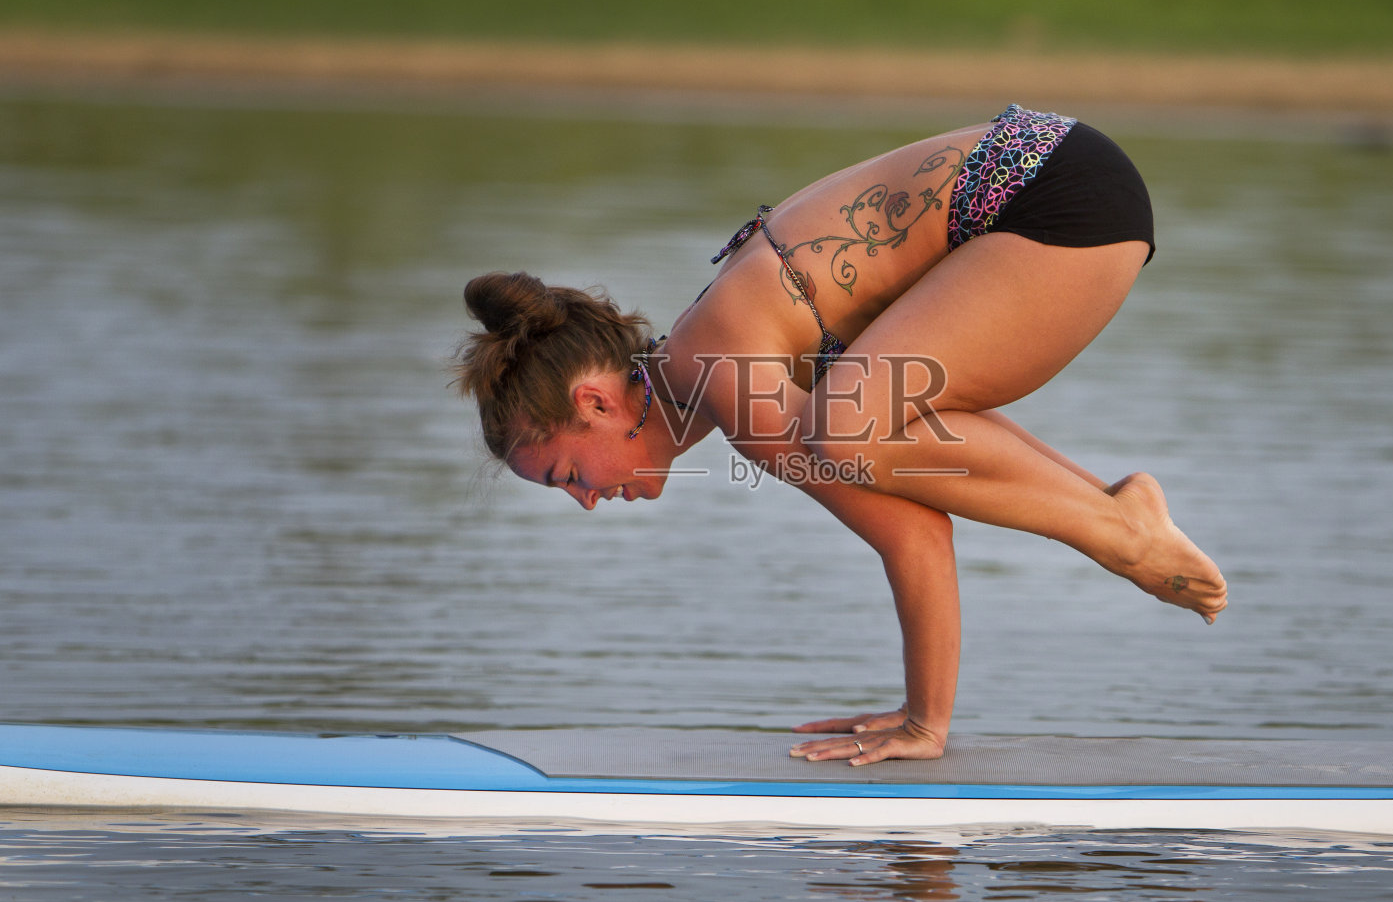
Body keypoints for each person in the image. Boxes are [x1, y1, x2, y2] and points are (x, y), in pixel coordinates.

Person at [453, 105, 1227, 766]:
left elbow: (916, 536)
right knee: (868, 415)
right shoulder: (712, 360)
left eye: (565, 476)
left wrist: (925, 722)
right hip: (1061, 177)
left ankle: (1121, 532)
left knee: (848, 425)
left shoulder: (719, 376)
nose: (587, 502)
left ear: (594, 403)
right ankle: (1118, 508)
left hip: (1056, 199)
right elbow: (929, 460)